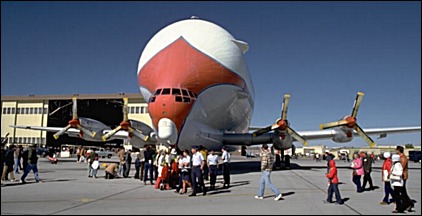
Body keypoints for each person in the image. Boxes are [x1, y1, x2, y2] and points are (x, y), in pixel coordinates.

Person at [395, 146, 414, 211]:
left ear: (398, 150)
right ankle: (408, 203)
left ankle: (405, 204)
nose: (395, 151)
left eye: (396, 150)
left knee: (400, 191)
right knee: (402, 191)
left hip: (402, 176)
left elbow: (401, 168)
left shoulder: (403, 158)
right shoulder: (400, 158)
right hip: (400, 176)